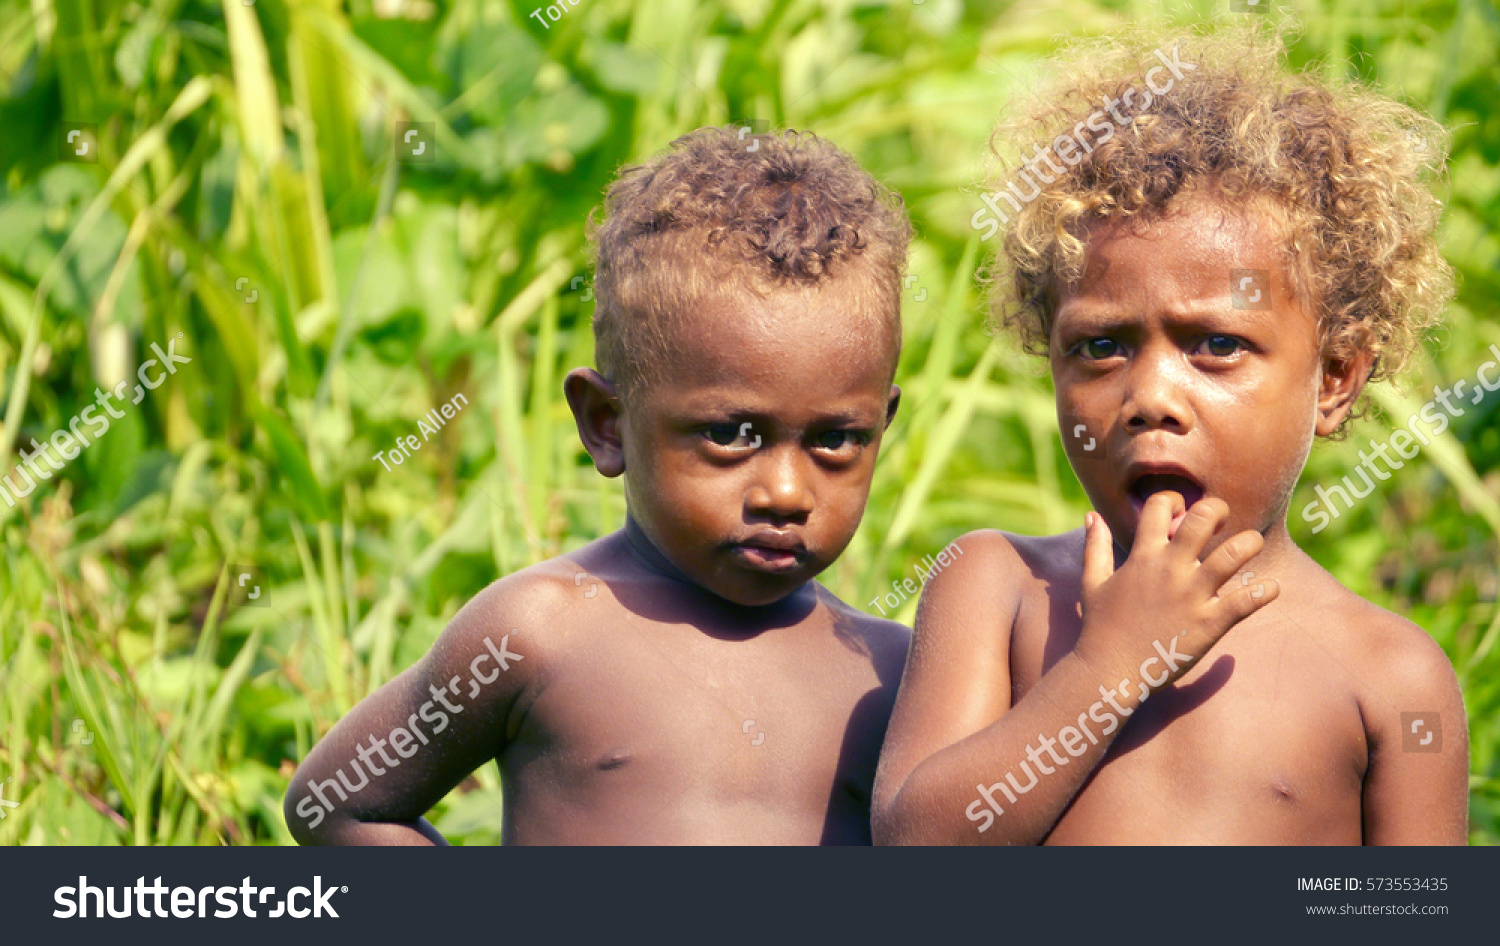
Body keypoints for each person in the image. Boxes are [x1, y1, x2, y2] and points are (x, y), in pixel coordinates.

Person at [873, 26, 1469, 845]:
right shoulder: (998, 589)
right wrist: (1106, 671)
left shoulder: (1392, 674)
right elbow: (915, 854)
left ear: (1334, 379)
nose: (1151, 397)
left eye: (1217, 345)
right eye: (1102, 346)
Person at [286, 126, 913, 844]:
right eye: (731, 434)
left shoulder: (887, 675)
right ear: (607, 423)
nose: (784, 491)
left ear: (880, 426)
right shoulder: (538, 633)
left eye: (835, 440)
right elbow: (335, 803)